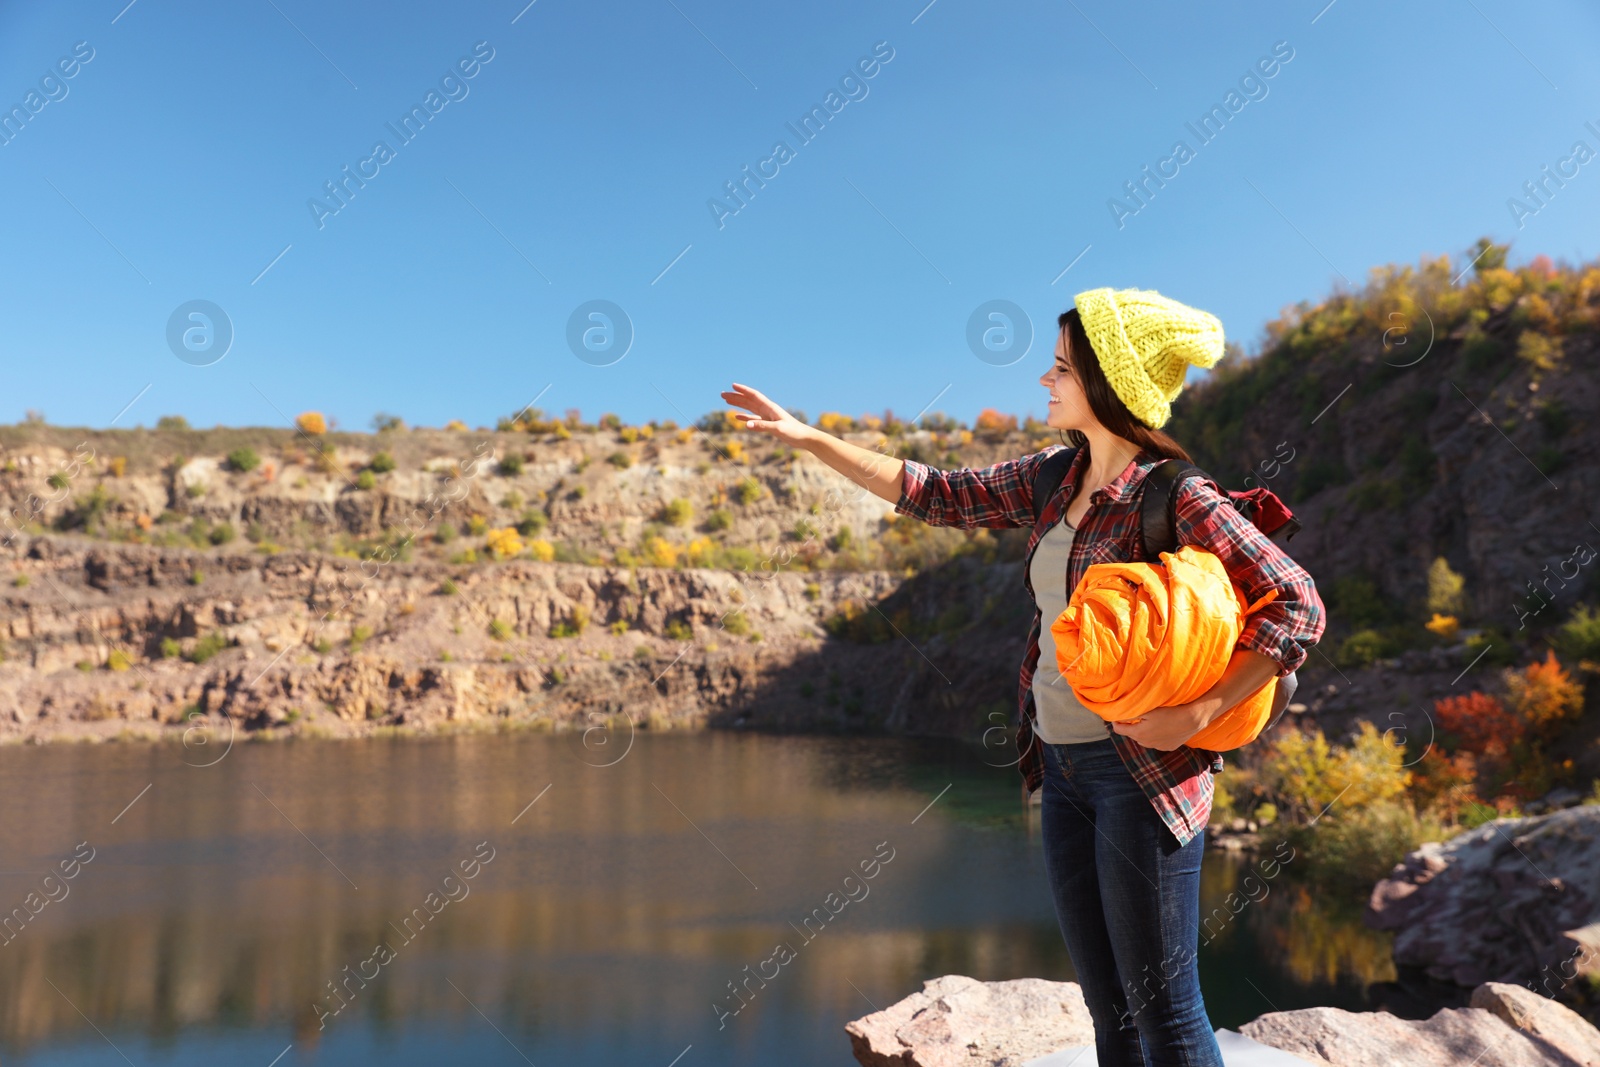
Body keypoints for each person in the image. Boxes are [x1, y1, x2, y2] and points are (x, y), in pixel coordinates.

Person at [721, 287, 1325, 1067]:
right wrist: (810, 438)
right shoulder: (1051, 477)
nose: (1045, 380)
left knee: (1166, 1015)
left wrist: (1197, 712)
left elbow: (1299, 604)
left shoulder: (1175, 495)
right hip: (1062, 768)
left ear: (1109, 382)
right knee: (1110, 1011)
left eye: (1062, 367)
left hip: (1142, 773)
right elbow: (934, 494)